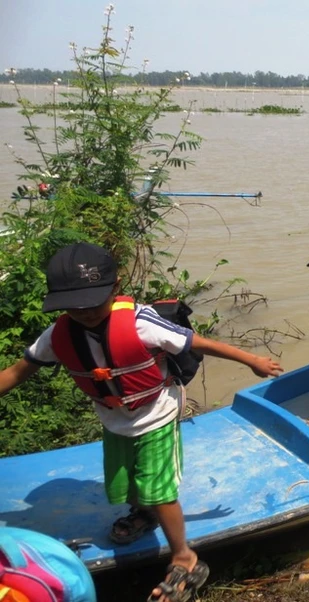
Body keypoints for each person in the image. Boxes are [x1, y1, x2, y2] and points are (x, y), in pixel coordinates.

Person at [0, 242, 284, 602]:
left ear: (115, 288)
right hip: (115, 417)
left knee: (158, 488)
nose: (85, 312)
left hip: (157, 411)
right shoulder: (57, 336)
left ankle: (186, 556)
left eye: (93, 301)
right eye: (74, 305)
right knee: (123, 485)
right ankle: (144, 513)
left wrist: (251, 360)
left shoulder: (140, 322)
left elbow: (197, 342)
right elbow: (17, 372)